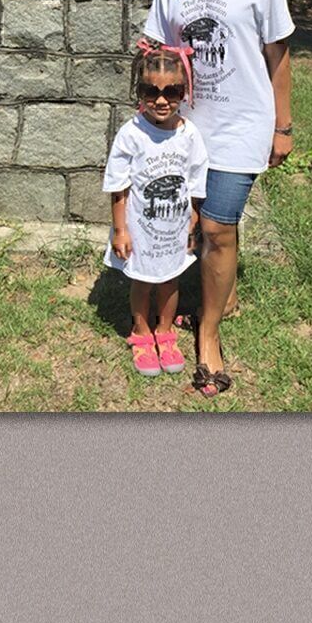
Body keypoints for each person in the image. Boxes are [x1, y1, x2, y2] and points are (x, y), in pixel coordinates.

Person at [142, 0, 294, 398]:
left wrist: (283, 125)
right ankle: (221, 294)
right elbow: (157, 54)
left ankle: (208, 336)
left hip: (241, 125)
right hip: (187, 132)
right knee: (204, 229)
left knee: (217, 227)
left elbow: (278, 54)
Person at [103, 45, 209, 380]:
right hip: (141, 229)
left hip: (174, 229)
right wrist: (121, 230)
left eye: (172, 91)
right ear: (139, 91)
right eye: (151, 91)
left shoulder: (189, 135)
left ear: (185, 92)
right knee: (143, 281)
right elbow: (119, 185)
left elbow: (195, 179)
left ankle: (165, 330)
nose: (161, 100)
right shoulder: (132, 134)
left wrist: (193, 218)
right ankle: (141, 329)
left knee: (170, 279)